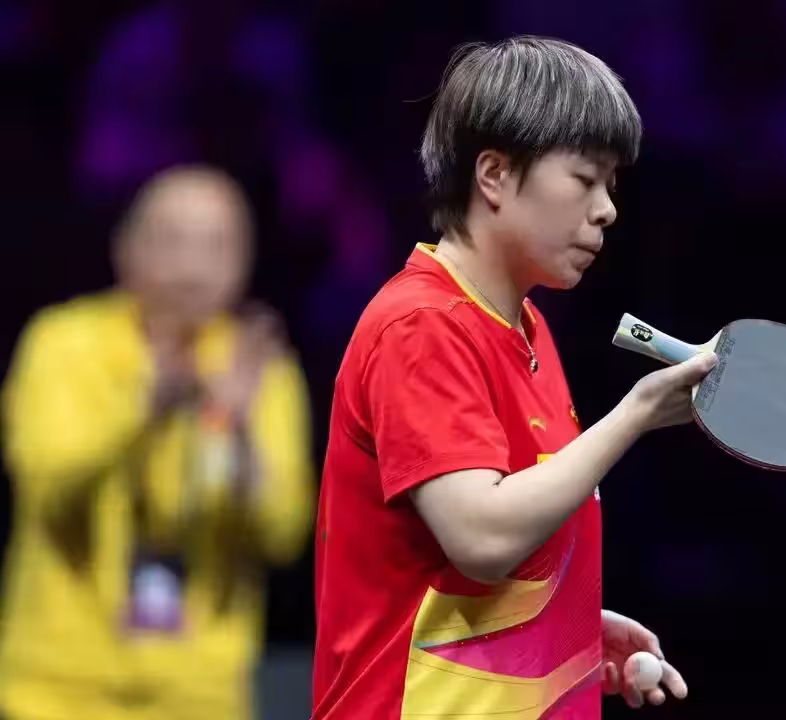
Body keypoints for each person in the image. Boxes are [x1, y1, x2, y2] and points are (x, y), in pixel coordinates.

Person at [312, 36, 716, 719]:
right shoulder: (423, 326)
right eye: (585, 179)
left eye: (611, 185)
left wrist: (561, 626)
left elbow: (477, 551)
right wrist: (637, 413)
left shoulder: (526, 328)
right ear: (495, 175)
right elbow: (482, 538)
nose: (607, 209)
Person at [0, 166, 314, 720]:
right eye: (171, 241)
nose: (192, 268)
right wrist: (146, 413)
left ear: (245, 260)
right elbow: (47, 487)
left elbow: (283, 533)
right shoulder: (63, 343)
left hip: (200, 697)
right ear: (125, 249)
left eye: (216, 245)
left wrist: (241, 429)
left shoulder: (259, 369)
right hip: (55, 692)